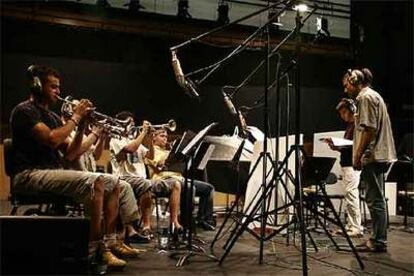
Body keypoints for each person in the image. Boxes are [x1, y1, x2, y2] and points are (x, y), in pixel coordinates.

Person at [10, 64, 138, 269]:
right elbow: (52, 140)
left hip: (51, 173)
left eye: (58, 87)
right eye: (53, 87)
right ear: (36, 85)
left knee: (113, 182)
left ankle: (110, 241)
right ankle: (94, 250)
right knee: (95, 180)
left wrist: (79, 128)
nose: (58, 92)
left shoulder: (52, 117)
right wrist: (76, 117)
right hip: (28, 174)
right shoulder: (24, 111)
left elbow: (71, 153)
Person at [343, 68, 396, 252]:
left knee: (375, 200)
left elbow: (369, 130)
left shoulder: (365, 98)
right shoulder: (373, 96)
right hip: (378, 154)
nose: (346, 89)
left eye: (347, 84)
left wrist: (357, 155)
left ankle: (378, 241)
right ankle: (377, 238)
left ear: (357, 82)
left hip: (373, 156)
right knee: (377, 198)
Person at [109, 112, 182, 239]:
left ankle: (174, 223)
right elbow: (130, 149)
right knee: (146, 184)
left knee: (175, 184)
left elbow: (150, 156)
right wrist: (143, 133)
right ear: (119, 125)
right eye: (128, 123)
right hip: (124, 178)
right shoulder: (116, 139)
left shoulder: (135, 140)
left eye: (132, 123)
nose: (131, 125)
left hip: (141, 179)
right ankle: (146, 226)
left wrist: (148, 137)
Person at [149, 129, 216, 231]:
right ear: (154, 138)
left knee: (208, 188)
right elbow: (158, 166)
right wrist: (171, 155)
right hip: (165, 179)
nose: (165, 138)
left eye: (166, 136)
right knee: (190, 188)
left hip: (180, 178)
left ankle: (203, 219)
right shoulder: (152, 151)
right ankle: (186, 223)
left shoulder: (168, 151)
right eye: (162, 136)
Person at [327, 98, 363, 237]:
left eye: (344, 112)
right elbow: (348, 147)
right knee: (349, 195)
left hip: (352, 165)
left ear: (352, 110)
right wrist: (337, 147)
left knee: (351, 195)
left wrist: (341, 145)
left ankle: (355, 227)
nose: (342, 115)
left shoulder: (357, 125)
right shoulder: (350, 126)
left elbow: (355, 145)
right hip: (347, 164)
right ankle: (351, 225)